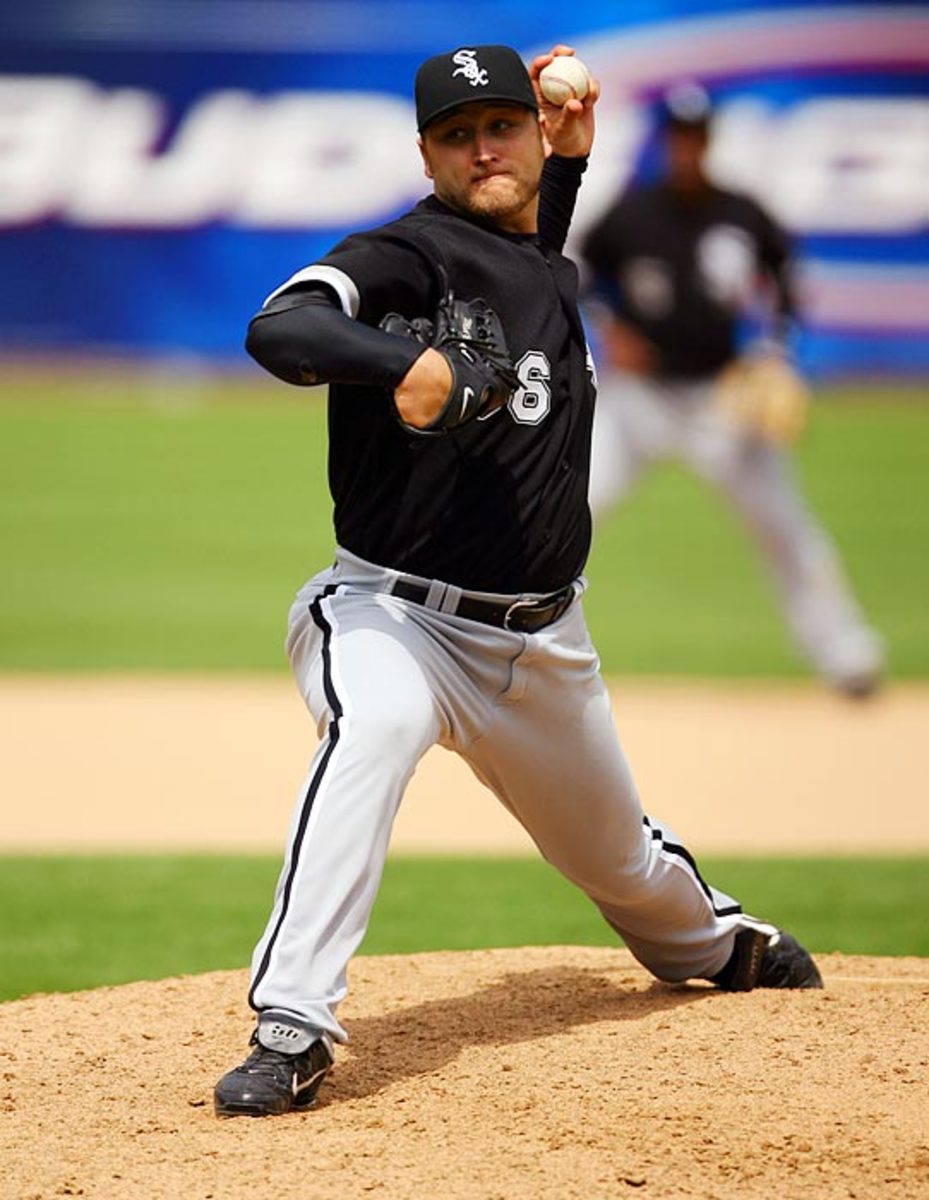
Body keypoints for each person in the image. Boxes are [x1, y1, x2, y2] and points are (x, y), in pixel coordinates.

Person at [213, 46, 822, 1121]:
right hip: (393, 615)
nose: (481, 147)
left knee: (624, 866)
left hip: (542, 647)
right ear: (426, 155)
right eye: (456, 134)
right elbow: (281, 327)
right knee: (375, 729)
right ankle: (292, 1024)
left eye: (502, 125)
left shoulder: (540, 249)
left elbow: (529, 227)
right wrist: (399, 363)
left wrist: (570, 160)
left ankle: (714, 940)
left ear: (539, 136)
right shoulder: (403, 253)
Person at [579, 82, 884, 698]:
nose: (687, 147)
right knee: (569, 512)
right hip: (638, 400)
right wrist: (610, 329)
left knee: (784, 526)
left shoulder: (741, 213)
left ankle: (846, 654)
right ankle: (502, 639)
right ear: (665, 142)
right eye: (679, 137)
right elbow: (582, 273)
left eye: (697, 136)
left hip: (722, 400)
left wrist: (775, 352)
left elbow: (788, 280)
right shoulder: (631, 212)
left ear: (709, 141)